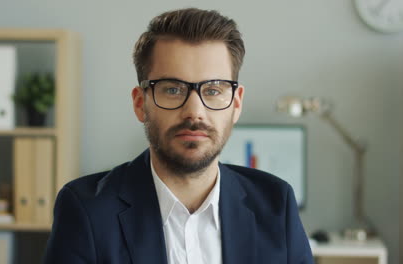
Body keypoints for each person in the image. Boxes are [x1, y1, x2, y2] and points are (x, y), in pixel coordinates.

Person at [43, 8, 313, 264]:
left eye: (213, 90)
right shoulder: (87, 209)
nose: (194, 112)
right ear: (140, 103)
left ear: (236, 103)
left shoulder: (277, 204)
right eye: (172, 89)